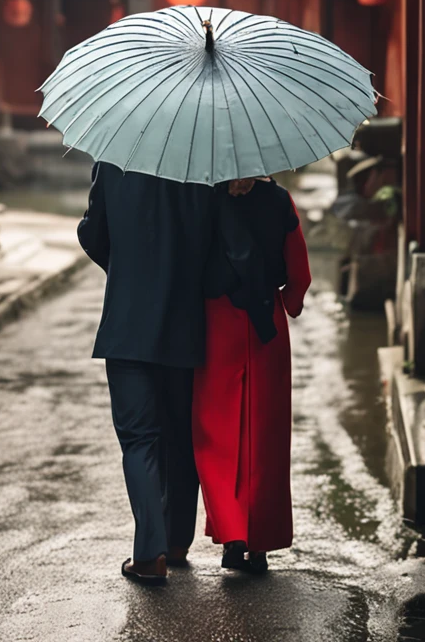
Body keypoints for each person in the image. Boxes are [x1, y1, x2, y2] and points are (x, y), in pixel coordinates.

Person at [77, 161, 216, 586]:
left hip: (128, 320)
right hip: (186, 320)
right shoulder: (204, 162)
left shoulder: (115, 158)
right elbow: (214, 242)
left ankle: (149, 553)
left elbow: (92, 234)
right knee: (180, 433)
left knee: (140, 439)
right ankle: (177, 542)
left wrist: (126, 272)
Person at [193, 175, 311, 574]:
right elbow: (300, 274)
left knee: (216, 432)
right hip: (266, 327)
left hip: (216, 325)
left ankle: (232, 536)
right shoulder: (279, 200)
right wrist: (288, 302)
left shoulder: (204, 200)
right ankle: (258, 543)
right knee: (265, 436)